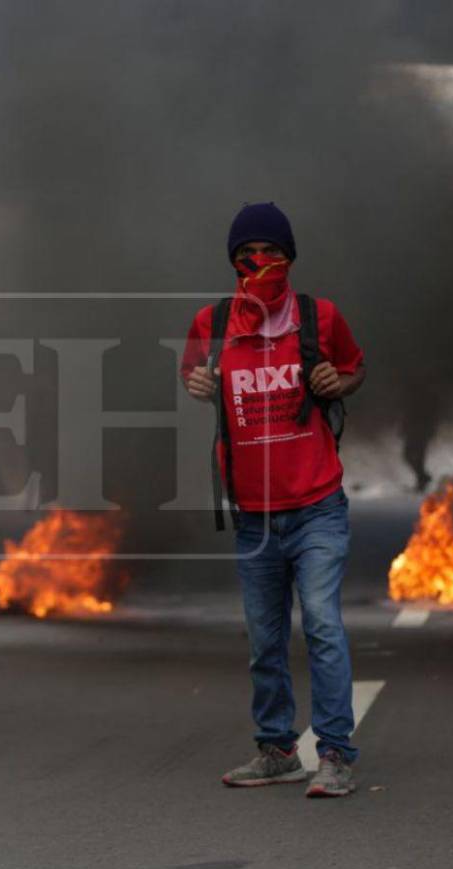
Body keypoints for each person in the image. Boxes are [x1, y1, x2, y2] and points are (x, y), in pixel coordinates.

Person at [179, 201, 366, 798]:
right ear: (232, 261)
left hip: (316, 505)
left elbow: (355, 368)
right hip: (254, 515)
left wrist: (339, 379)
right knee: (264, 637)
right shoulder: (210, 325)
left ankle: (334, 753)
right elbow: (194, 380)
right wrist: (196, 384)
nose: (260, 264)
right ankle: (278, 750)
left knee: (321, 625)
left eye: (272, 254)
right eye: (247, 255)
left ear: (290, 258)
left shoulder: (319, 317)